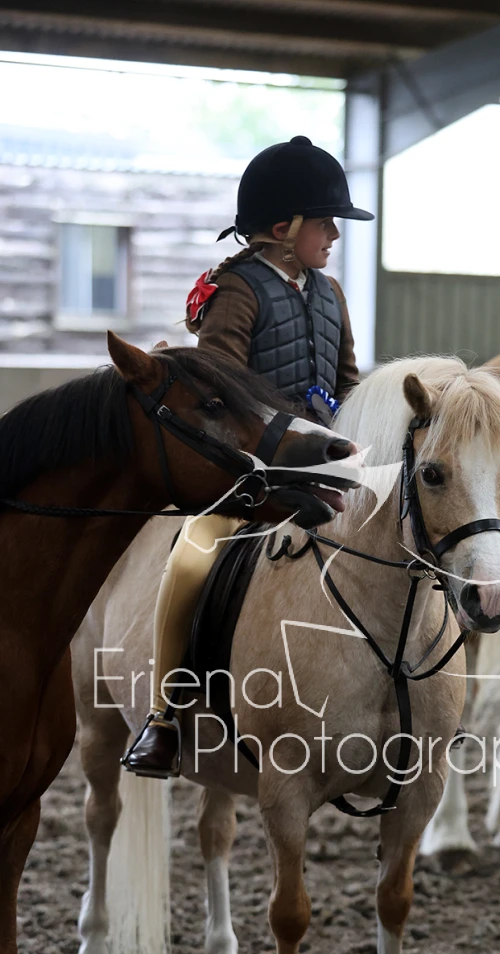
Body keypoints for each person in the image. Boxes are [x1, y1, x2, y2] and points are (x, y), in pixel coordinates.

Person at [123, 136, 373, 777]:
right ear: (284, 229)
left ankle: (420, 699)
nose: (334, 235)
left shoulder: (330, 292)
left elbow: (347, 384)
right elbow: (218, 392)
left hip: (326, 460)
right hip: (251, 471)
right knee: (191, 558)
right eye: (325, 223)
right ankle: (164, 715)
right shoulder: (236, 290)